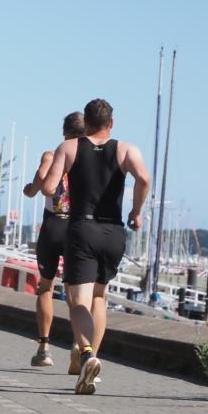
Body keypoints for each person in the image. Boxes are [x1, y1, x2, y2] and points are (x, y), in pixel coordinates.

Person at [42, 98, 150, 395]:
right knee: (100, 298)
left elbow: (50, 188)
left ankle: (87, 353)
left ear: (85, 123)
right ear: (111, 124)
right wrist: (136, 212)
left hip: (82, 228)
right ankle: (91, 360)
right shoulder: (127, 149)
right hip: (113, 230)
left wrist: (61, 184)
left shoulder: (70, 148)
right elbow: (143, 178)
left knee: (78, 301)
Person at [22, 111, 86, 369]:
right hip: (76, 227)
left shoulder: (52, 156)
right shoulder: (87, 160)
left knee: (46, 287)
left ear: (64, 132)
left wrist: (29, 188)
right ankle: (77, 344)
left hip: (52, 226)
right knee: (74, 291)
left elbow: (35, 187)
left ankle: (44, 348)